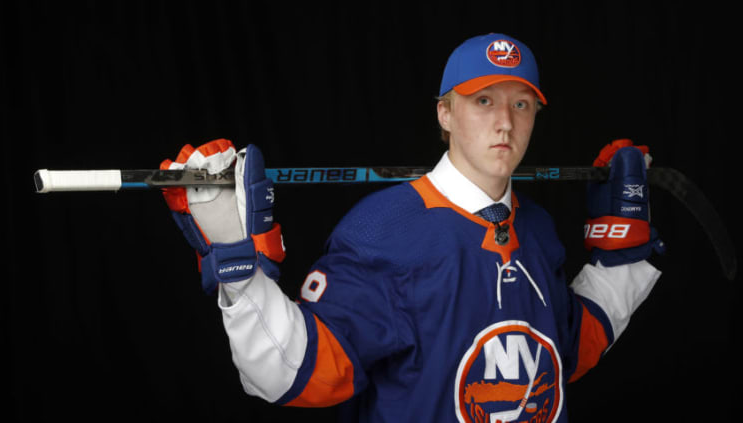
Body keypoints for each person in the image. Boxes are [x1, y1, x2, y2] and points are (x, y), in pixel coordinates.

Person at [160, 33, 664, 422]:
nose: (505, 122)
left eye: (521, 103)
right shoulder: (385, 229)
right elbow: (290, 371)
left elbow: (569, 348)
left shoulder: (536, 227)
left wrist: (623, 256)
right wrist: (237, 263)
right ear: (445, 113)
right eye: (483, 101)